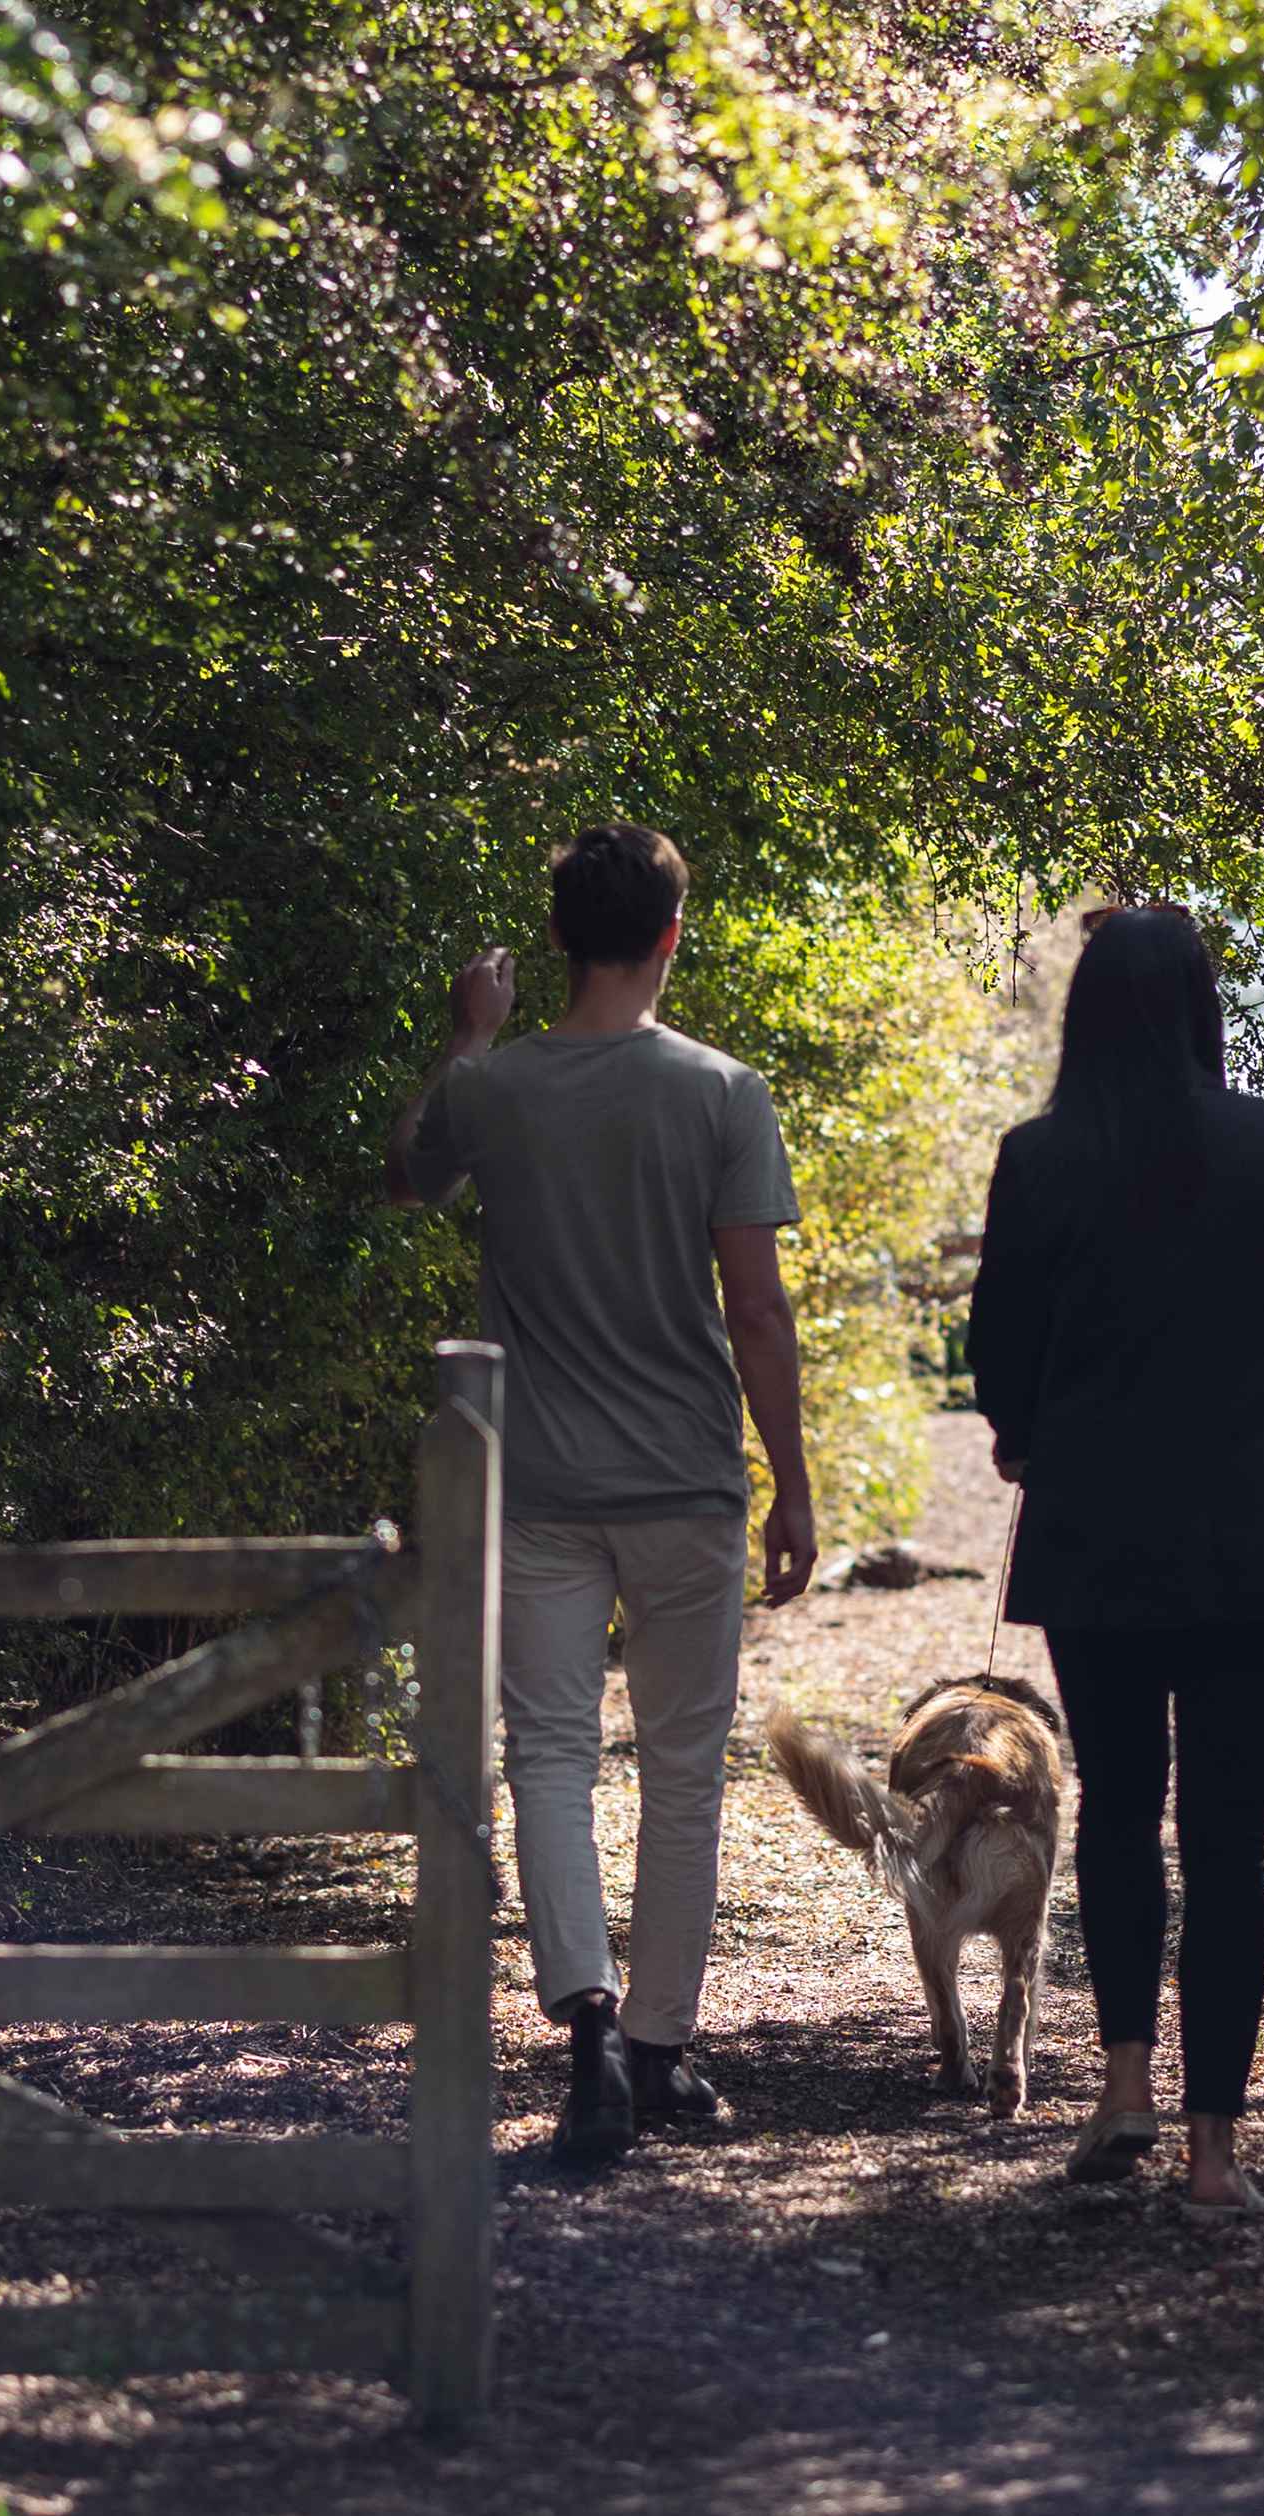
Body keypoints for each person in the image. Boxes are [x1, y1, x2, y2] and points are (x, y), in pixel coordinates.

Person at [386, 824, 821, 2167]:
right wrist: (789, 1487)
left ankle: (584, 2037)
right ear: (673, 934)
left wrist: (470, 1033)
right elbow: (755, 1309)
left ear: (560, 941)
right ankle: (660, 2049)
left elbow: (410, 1177)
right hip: (687, 1479)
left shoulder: (499, 1085)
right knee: (683, 1775)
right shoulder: (722, 1093)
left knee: (552, 1756)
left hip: (539, 1484)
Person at [965, 904, 1264, 2219]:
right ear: (1207, 1008)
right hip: (1258, 1530)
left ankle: (1125, 2084)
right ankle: (1212, 2160)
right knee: (1230, 1838)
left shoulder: (1039, 1158)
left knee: (1124, 1812)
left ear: (1083, 1013)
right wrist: (1246, 1384)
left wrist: (1036, 1433)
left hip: (1099, 1530)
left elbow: (998, 1359)